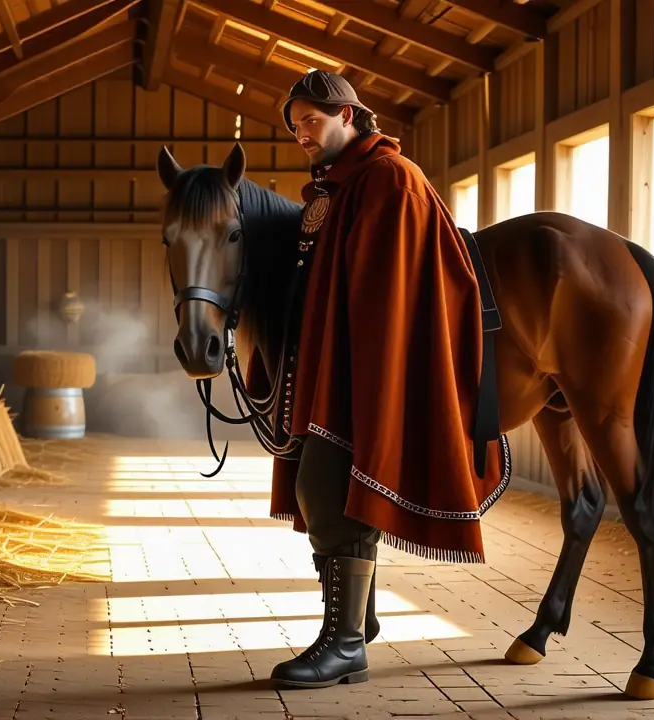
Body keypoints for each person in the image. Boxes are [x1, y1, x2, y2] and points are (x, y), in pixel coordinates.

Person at [259, 70, 509, 689]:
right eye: (294, 128)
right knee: (316, 488)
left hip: (372, 369)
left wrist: (357, 376)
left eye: (311, 123)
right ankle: (355, 622)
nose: (302, 137)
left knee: (323, 486)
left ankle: (345, 645)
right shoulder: (338, 187)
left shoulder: (389, 180)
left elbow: (388, 294)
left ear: (348, 115)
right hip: (339, 365)